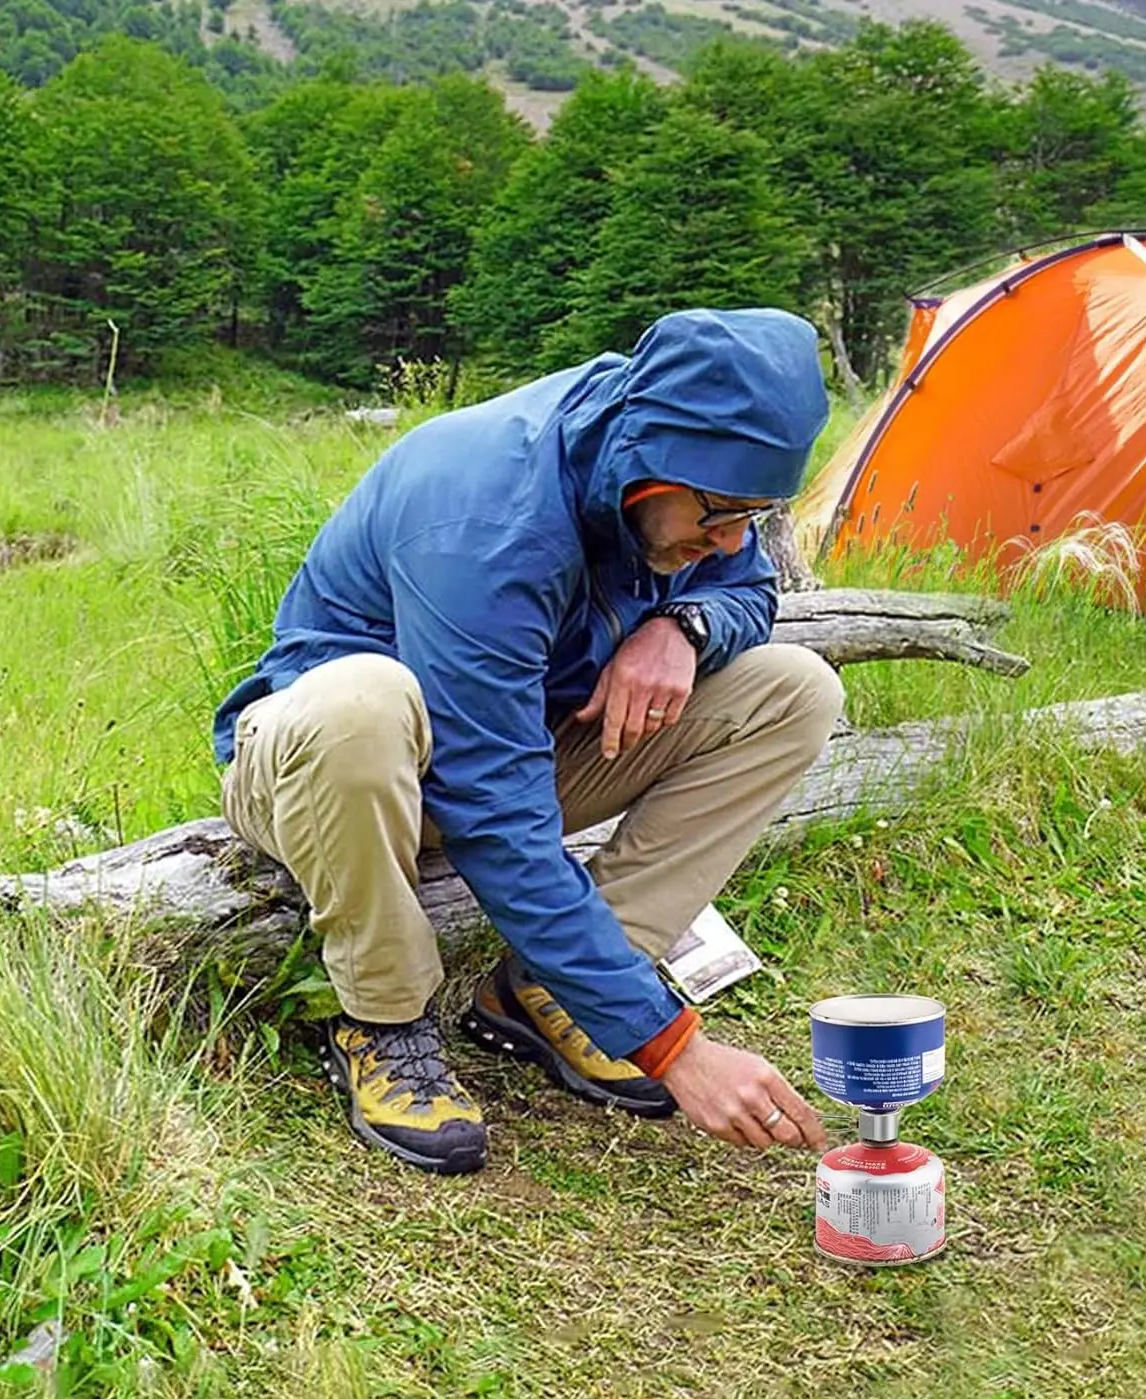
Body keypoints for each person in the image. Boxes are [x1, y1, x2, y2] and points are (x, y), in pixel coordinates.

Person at [215, 308, 842, 1176]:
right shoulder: (488, 516)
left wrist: (684, 628)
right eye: (721, 515)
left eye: (756, 515)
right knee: (362, 703)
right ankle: (382, 1016)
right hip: (323, 770)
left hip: (512, 745)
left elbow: (747, 588)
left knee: (795, 690)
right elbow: (496, 814)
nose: (733, 540)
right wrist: (674, 1048)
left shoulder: (680, 474)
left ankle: (550, 991)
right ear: (649, 462)